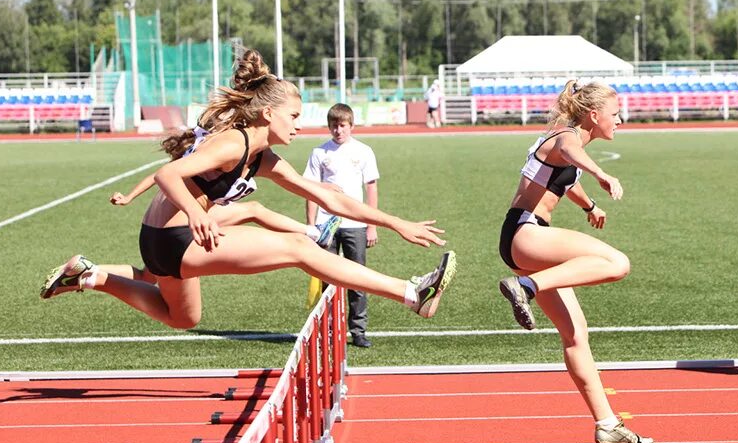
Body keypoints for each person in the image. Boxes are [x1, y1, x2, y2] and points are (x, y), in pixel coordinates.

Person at [40, 48, 456, 330]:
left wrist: (394, 221)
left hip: (164, 239)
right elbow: (169, 175)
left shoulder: (262, 157)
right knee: (298, 248)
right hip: (173, 236)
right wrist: (198, 212)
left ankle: (91, 276)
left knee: (184, 318)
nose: (299, 125)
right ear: (268, 112)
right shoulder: (233, 142)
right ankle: (411, 293)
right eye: (294, 115)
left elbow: (328, 196)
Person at [496, 78, 653, 443]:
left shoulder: (569, 139)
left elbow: (562, 182)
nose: (621, 121)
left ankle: (607, 423)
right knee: (616, 262)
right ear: (594, 115)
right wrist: (601, 174)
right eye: (616, 114)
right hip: (526, 233)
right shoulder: (565, 136)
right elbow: (568, 151)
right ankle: (527, 288)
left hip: (525, 239)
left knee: (576, 335)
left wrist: (589, 205)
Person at [103, 169, 342, 286]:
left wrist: (317, 187)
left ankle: (88, 271)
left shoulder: (235, 149)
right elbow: (162, 172)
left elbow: (280, 174)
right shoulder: (215, 149)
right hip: (181, 224)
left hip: (176, 225)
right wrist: (130, 196)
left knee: (147, 278)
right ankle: (315, 233)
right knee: (254, 210)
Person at [303, 103, 381, 348]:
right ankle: (327, 332)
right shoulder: (319, 153)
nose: (338, 130)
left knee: (358, 279)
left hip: (355, 224)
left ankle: (358, 330)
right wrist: (310, 227)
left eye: (343, 125)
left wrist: (372, 225)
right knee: (328, 280)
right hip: (326, 224)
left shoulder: (364, 151)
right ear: (329, 127)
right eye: (334, 126)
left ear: (351, 126)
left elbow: (371, 187)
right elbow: (310, 191)